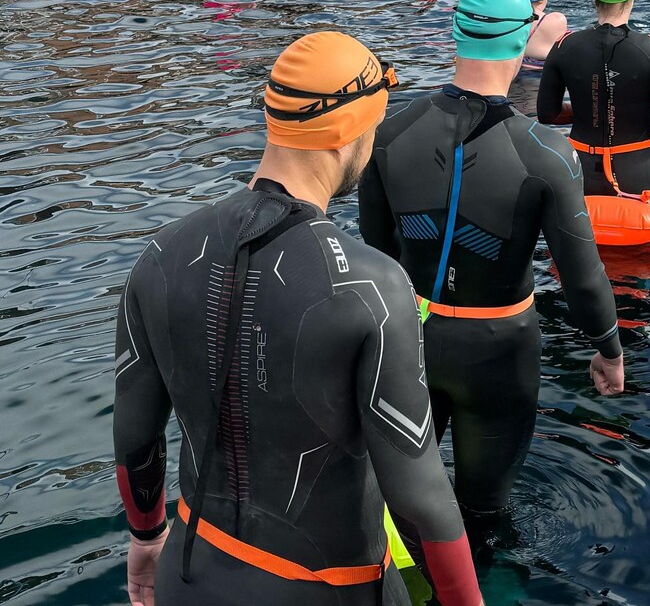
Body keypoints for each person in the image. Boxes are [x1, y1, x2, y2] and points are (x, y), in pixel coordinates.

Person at [113, 31, 484, 606]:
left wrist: (144, 538)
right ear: (348, 133)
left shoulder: (159, 256)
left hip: (189, 572)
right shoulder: (374, 286)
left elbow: (136, 437)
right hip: (326, 591)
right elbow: (420, 499)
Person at [357, 0, 624, 533]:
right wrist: (608, 348)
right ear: (524, 40)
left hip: (413, 339)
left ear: (456, 36)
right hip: (501, 349)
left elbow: (376, 257)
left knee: (402, 509)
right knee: (485, 515)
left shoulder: (389, 131)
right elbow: (582, 275)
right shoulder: (548, 153)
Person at [537, 0, 650, 217]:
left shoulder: (564, 46)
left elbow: (547, 114)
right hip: (640, 169)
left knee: (575, 250)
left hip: (580, 167)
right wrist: (636, 113)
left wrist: (590, 108)